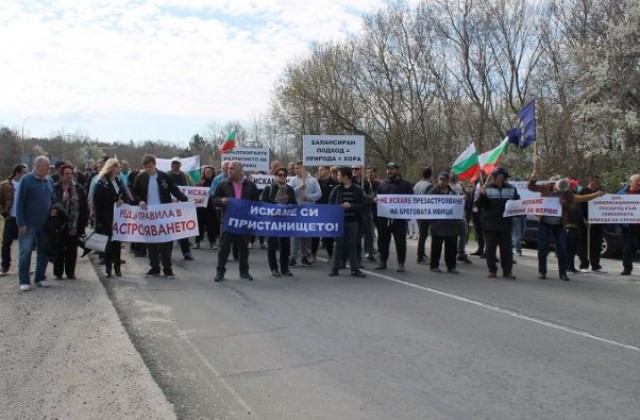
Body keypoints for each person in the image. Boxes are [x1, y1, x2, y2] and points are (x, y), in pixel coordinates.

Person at [528, 170, 603, 281]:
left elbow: (577, 201)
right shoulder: (545, 187)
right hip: (545, 222)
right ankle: (542, 271)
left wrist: (566, 204)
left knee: (562, 248)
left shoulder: (567, 192)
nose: (560, 193)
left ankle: (563, 273)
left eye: (562, 192)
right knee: (543, 248)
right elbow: (531, 187)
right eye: (558, 191)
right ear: (555, 186)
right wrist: (533, 179)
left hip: (559, 223)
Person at [133, 154, 188, 279]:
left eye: (150, 166)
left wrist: (186, 200)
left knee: (165, 242)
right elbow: (135, 192)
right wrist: (140, 200)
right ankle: (154, 267)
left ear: (154, 164)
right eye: (146, 167)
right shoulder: (140, 177)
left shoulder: (164, 176)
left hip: (164, 214)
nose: (148, 169)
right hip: (148, 215)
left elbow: (174, 190)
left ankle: (168, 269)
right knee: (151, 242)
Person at [211, 160, 260, 282]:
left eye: (232, 168)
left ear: (239, 170)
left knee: (244, 248)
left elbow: (256, 203)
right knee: (224, 248)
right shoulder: (223, 184)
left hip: (244, 222)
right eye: (228, 169)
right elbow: (213, 199)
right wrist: (220, 201)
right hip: (228, 221)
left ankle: (244, 272)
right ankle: (220, 272)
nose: (229, 170)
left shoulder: (250, 185)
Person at [16, 156, 55, 291]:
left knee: (43, 252)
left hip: (45, 224)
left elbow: (53, 198)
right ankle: (24, 281)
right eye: (47, 166)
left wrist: (54, 208)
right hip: (29, 223)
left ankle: (40, 277)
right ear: (37, 166)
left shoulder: (49, 180)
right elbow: (19, 202)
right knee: (25, 252)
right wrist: (21, 223)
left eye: (50, 166)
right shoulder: (26, 180)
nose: (49, 168)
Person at [475, 167, 519, 279]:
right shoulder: (487, 188)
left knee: (507, 250)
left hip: (506, 224)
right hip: (490, 224)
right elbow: (479, 205)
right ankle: (492, 270)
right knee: (490, 249)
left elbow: (518, 203)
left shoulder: (511, 189)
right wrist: (482, 194)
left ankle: (507, 271)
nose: (505, 178)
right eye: (503, 175)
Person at [51, 163, 89, 280]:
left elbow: (84, 206)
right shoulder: (55, 187)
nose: (68, 176)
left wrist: (84, 222)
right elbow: (52, 202)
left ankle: (70, 272)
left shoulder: (79, 188)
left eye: (70, 174)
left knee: (72, 250)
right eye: (66, 174)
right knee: (59, 249)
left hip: (75, 224)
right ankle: (58, 272)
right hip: (60, 224)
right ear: (61, 175)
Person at [374, 162, 413, 272]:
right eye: (388, 169)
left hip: (399, 219)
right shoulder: (383, 184)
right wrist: (375, 199)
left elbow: (412, 200)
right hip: (384, 219)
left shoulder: (405, 185)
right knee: (383, 241)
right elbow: (377, 196)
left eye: (391, 169)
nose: (389, 171)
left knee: (400, 241)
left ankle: (401, 263)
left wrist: (409, 214)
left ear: (397, 170)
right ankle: (383, 261)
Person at [328, 167, 366, 277]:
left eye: (339, 175)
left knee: (352, 245)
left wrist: (351, 206)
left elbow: (363, 205)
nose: (337, 177)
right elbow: (330, 203)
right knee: (338, 245)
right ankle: (335, 268)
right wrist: (338, 207)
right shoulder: (337, 189)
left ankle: (355, 269)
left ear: (345, 176)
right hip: (339, 221)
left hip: (353, 221)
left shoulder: (357, 189)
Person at [93, 158, 127, 278]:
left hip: (118, 217)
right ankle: (108, 267)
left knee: (117, 243)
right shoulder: (102, 182)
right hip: (106, 216)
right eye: (117, 166)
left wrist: (121, 201)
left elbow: (125, 196)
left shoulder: (118, 181)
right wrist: (99, 220)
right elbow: (97, 201)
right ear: (111, 167)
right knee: (108, 243)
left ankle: (117, 266)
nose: (119, 168)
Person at [260, 166, 296, 277]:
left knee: (285, 246)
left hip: (285, 221)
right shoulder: (269, 188)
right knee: (272, 245)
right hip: (272, 220)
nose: (282, 177)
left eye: (284, 175)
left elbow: (294, 203)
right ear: (275, 176)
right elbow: (262, 203)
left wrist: (289, 207)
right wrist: (274, 209)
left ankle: (285, 268)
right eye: (280, 175)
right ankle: (274, 268)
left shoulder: (289, 189)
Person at [288, 161, 321, 267]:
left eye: (297, 168)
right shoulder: (292, 180)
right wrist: (299, 188)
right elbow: (288, 192)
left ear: (303, 168)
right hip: (296, 210)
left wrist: (308, 197)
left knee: (306, 235)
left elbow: (319, 194)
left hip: (308, 211)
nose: (295, 170)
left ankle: (304, 256)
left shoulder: (313, 180)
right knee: (295, 235)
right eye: (294, 168)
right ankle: (293, 257)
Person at [427, 172, 459, 274]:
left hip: (450, 224)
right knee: (436, 246)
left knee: (451, 247)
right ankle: (434, 265)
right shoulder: (433, 192)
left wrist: (462, 200)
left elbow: (458, 206)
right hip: (438, 223)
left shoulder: (453, 193)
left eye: (444, 180)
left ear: (448, 181)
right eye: (440, 180)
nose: (441, 182)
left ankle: (451, 266)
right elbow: (426, 203)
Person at [0, 164, 28, 274]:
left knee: (25, 244)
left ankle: (25, 267)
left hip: (23, 219)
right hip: (10, 218)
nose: (26, 174)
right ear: (18, 172)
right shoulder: (4, 185)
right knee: (6, 243)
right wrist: (3, 212)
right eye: (24, 172)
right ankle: (5, 266)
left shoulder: (27, 184)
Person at [168, 157, 195, 261]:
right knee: (170, 230)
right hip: (170, 206)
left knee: (183, 229)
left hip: (183, 206)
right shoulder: (166, 175)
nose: (175, 165)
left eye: (177, 163)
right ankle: (167, 253)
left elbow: (193, 187)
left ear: (180, 165)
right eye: (173, 163)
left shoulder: (186, 176)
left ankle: (186, 252)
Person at [578, 175, 607, 273]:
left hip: (598, 222)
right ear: (590, 180)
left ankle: (596, 265)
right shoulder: (583, 192)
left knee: (596, 245)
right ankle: (583, 265)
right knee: (584, 244)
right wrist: (583, 219)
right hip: (586, 223)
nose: (597, 183)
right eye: (595, 181)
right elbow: (579, 206)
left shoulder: (601, 192)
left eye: (598, 181)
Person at [311, 165, 338, 261]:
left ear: (327, 170)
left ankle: (330, 254)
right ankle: (313, 254)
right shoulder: (316, 182)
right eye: (318, 170)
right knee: (315, 234)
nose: (319, 172)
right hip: (317, 211)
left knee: (328, 234)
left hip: (329, 211)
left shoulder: (335, 183)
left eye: (321, 170)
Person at [617, 174, 640, 275]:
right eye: (637, 180)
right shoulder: (621, 194)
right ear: (631, 182)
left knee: (635, 246)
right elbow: (614, 210)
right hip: (628, 226)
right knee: (628, 248)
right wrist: (618, 225)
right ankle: (627, 268)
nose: (639, 183)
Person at [449, 170, 472, 264]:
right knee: (452, 235)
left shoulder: (458, 186)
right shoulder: (446, 187)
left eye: (454, 173)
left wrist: (465, 195)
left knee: (464, 233)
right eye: (451, 173)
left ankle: (461, 253)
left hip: (460, 214)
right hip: (450, 215)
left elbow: (464, 195)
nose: (453, 174)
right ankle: (451, 254)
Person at [413, 167, 433, 264]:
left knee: (422, 234)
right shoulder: (429, 186)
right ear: (430, 175)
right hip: (424, 212)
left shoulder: (416, 184)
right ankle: (420, 256)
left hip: (417, 211)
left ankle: (422, 253)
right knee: (423, 235)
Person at [195, 165, 218, 249]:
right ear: (204, 173)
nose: (208, 173)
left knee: (211, 225)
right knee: (199, 225)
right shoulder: (200, 182)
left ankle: (213, 243)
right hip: (200, 207)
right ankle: (197, 242)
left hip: (210, 207)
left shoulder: (215, 182)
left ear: (212, 173)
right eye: (207, 171)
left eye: (210, 172)